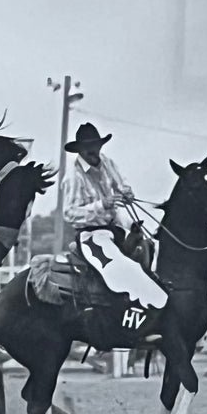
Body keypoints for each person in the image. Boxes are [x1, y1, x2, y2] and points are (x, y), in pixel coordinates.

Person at [61, 121, 167, 310]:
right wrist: (102, 204)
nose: (94, 153)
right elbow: (69, 213)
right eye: (89, 149)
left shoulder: (107, 163)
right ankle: (119, 305)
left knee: (150, 243)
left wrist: (126, 193)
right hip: (90, 233)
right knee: (118, 265)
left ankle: (150, 292)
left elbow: (122, 185)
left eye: (96, 147)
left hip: (114, 224)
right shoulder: (73, 176)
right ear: (80, 151)